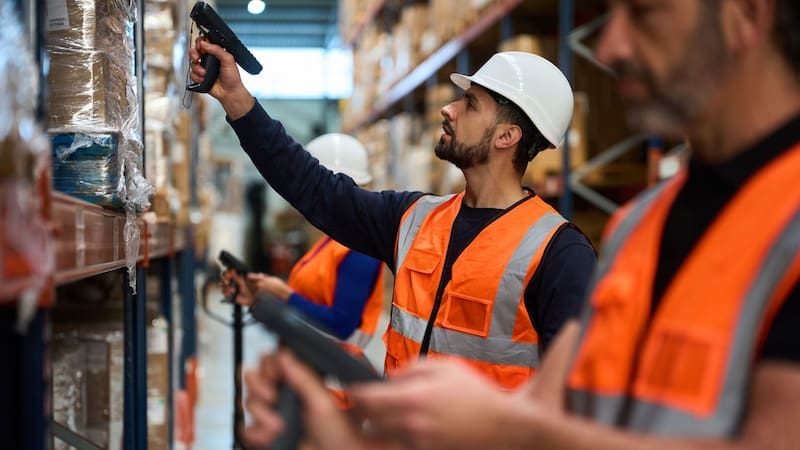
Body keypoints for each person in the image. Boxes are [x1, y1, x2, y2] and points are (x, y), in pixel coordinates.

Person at [236, 0, 800, 448]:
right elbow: (315, 189)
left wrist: (502, 427)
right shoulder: (639, 225)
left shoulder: (560, 253)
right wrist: (331, 434)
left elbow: (550, 423)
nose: (609, 46)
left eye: (645, 12)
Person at [190, 42, 597, 390]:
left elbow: (573, 404)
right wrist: (236, 98)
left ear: (507, 137)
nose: (449, 109)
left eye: (470, 104)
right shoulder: (415, 219)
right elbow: (313, 187)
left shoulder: (559, 254)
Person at [226, 133, 386, 351]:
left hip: (331, 368)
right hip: (307, 360)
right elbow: (306, 308)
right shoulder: (333, 240)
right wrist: (259, 297)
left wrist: (283, 293)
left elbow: (341, 326)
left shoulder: (359, 249)